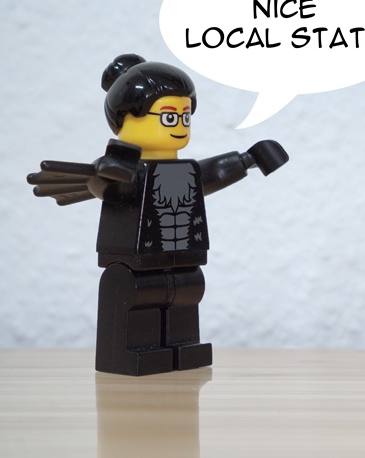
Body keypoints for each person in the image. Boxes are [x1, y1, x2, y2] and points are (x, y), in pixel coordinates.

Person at [29, 54, 289, 376]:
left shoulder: (184, 169)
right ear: (126, 117)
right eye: (168, 117)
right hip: (134, 261)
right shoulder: (120, 167)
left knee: (186, 294)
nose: (179, 126)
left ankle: (182, 347)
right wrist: (107, 175)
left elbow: (210, 174)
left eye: (185, 117)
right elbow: (105, 186)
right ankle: (133, 351)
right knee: (138, 298)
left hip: (185, 255)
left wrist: (247, 159)